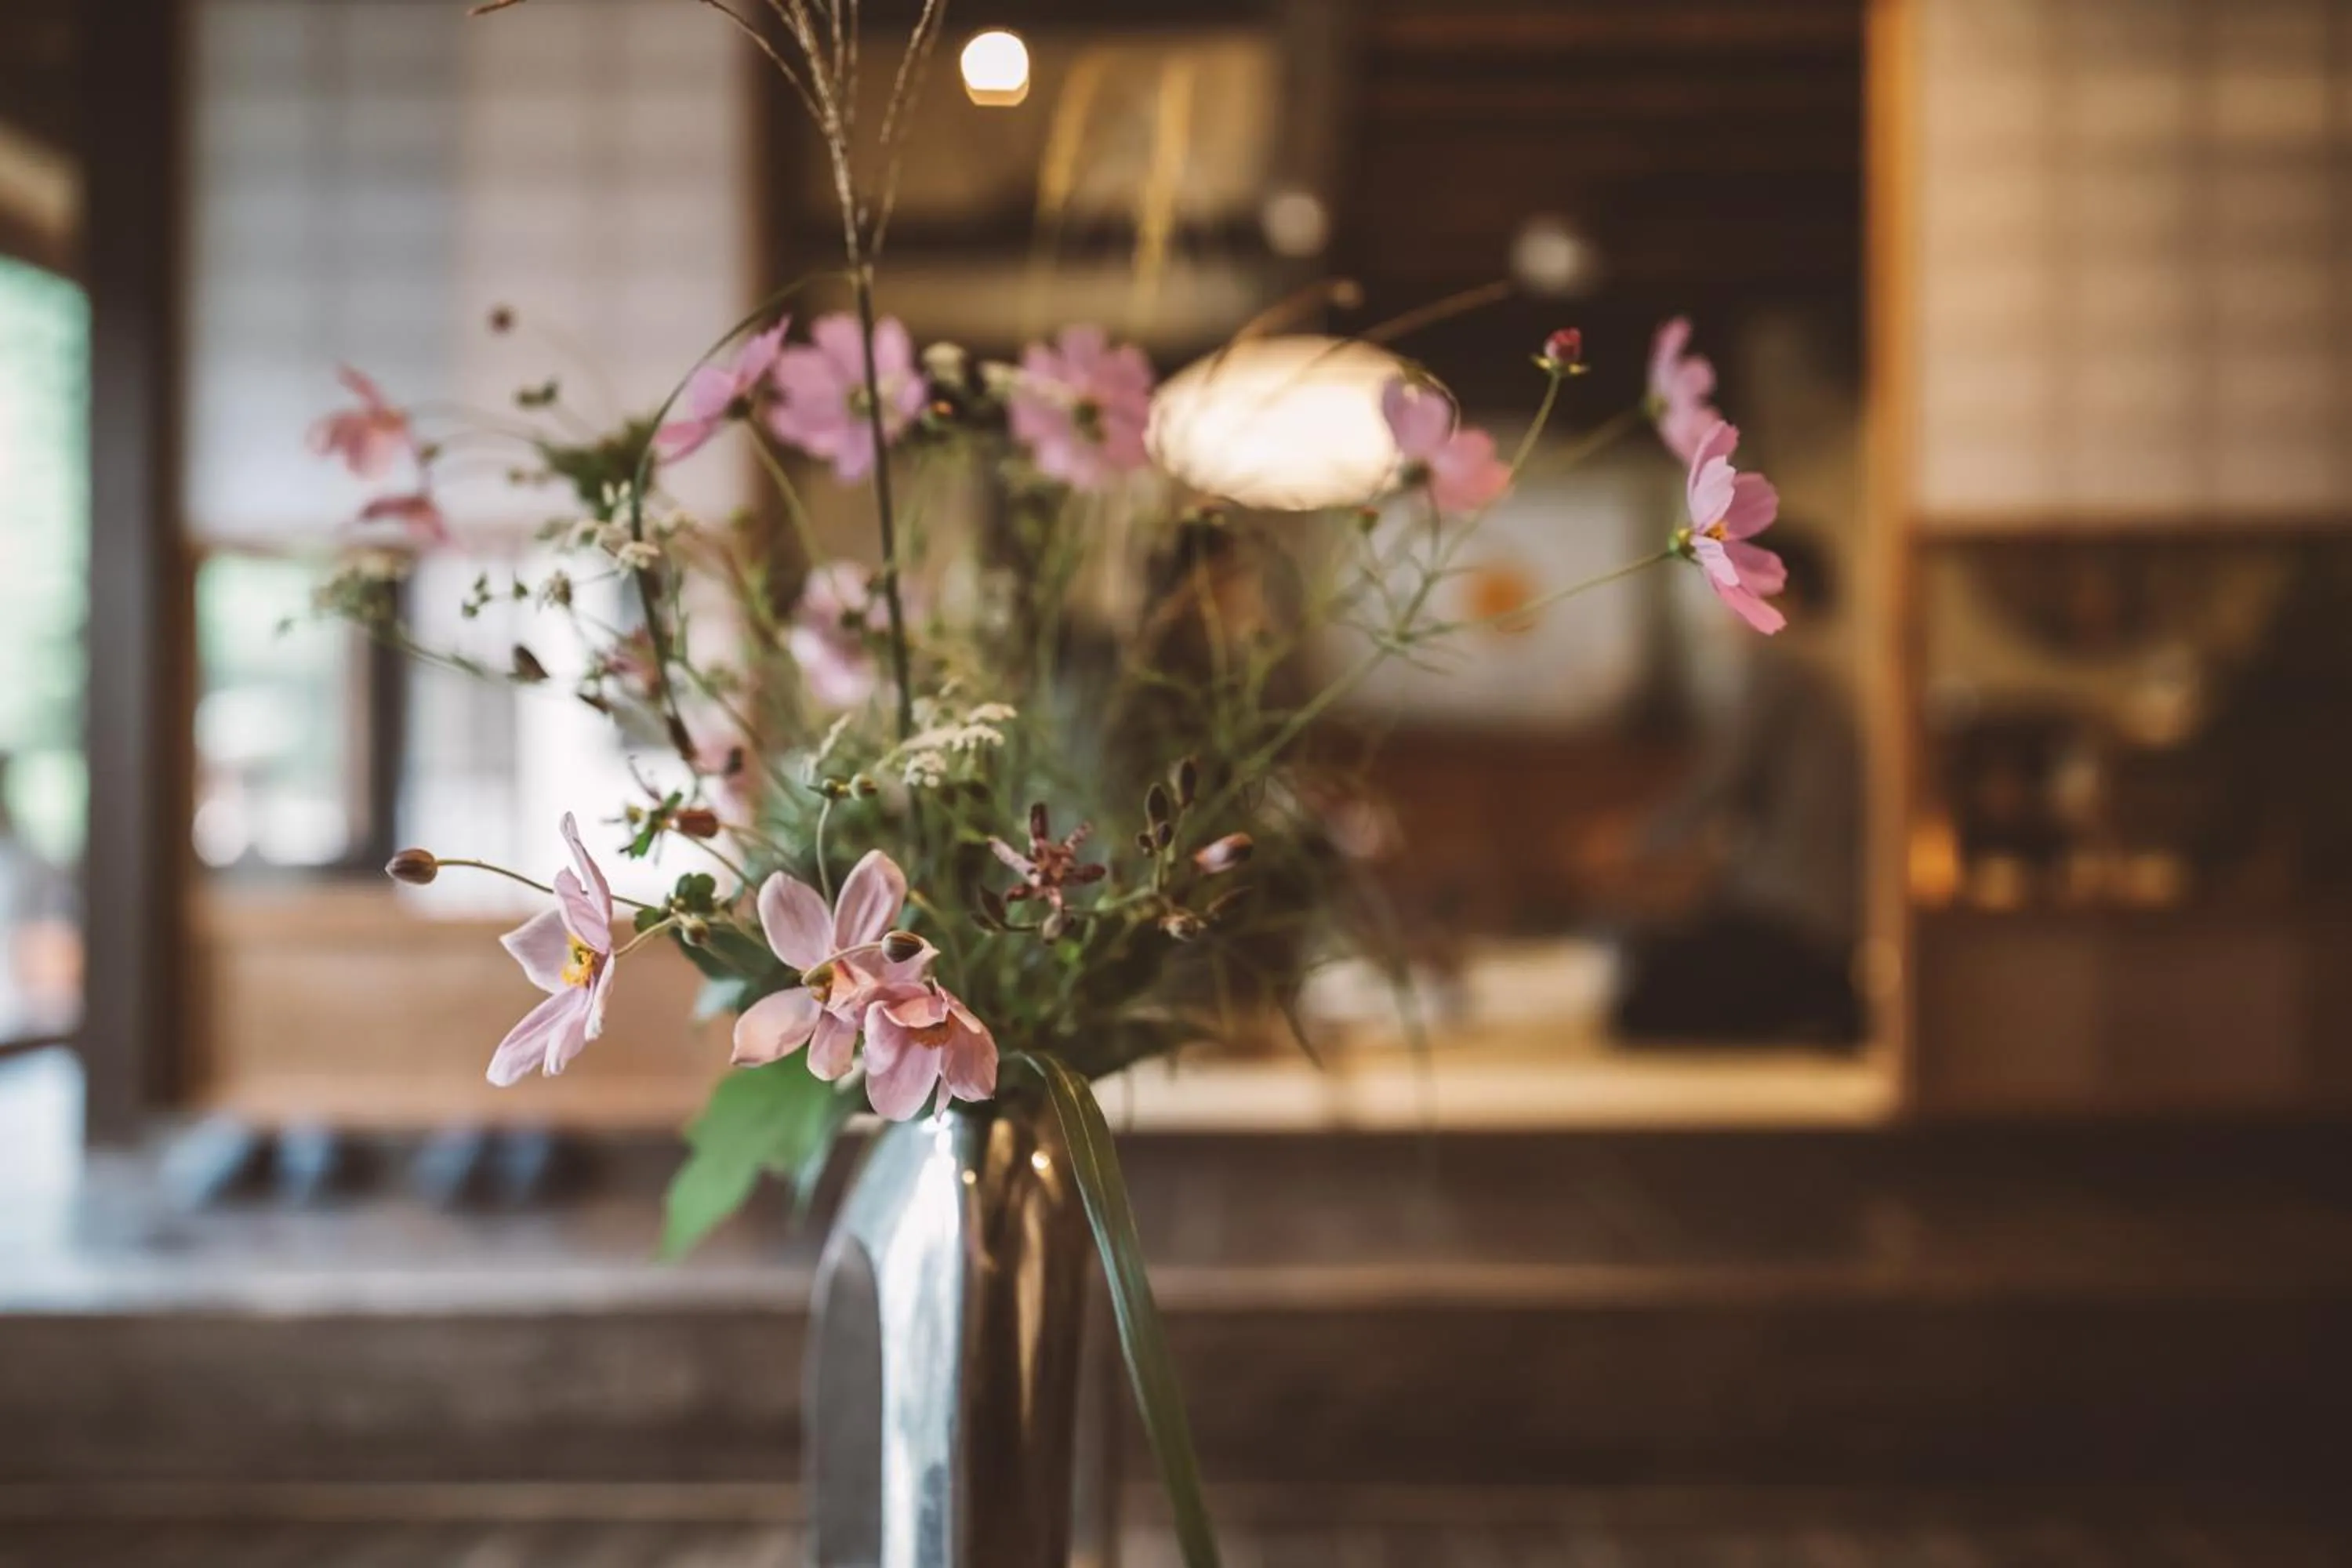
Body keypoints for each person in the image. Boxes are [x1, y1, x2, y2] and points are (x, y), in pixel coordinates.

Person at [1609, 529, 1865, 1047]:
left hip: (1792, 921)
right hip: (1821, 922)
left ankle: (1804, 1013)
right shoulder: (1823, 673)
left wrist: (1635, 844)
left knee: (1638, 1002)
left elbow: (1720, 782)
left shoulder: (1784, 665)